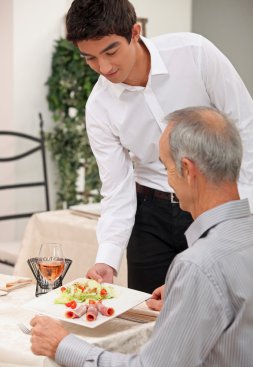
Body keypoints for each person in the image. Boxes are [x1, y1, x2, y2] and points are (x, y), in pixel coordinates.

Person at [30, 107, 253, 367]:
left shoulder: (199, 265)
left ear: (187, 169)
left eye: (166, 167)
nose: (167, 179)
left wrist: (63, 345)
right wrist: (187, 295)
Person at [66, 0, 253, 293]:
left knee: (218, 308)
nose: (104, 67)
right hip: (150, 216)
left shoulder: (195, 53)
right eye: (90, 58)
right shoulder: (99, 107)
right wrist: (108, 258)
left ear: (135, 32)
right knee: (147, 316)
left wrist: (242, 206)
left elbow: (246, 126)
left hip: (213, 204)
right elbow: (116, 187)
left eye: (111, 51)